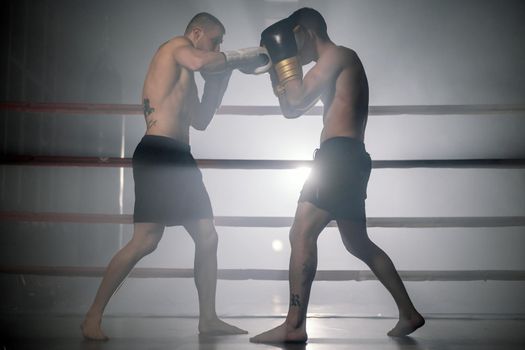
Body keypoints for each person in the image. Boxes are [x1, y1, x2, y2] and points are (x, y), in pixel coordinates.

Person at [81, 12, 269, 340]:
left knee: (207, 237)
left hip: (180, 157)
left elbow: (201, 120)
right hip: (158, 152)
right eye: (215, 40)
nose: (219, 46)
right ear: (196, 33)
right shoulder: (175, 47)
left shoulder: (189, 74)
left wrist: (221, 80)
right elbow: (199, 61)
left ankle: (208, 318)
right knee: (146, 241)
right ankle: (92, 316)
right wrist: (240, 57)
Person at [250, 8, 424, 343]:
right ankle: (409, 312)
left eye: (293, 41)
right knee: (357, 242)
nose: (294, 51)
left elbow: (297, 97)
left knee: (300, 232)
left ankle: (294, 325)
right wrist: (276, 68)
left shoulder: (338, 55)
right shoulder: (331, 64)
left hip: (339, 158)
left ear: (304, 32)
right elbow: (291, 110)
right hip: (348, 158)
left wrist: (282, 61)